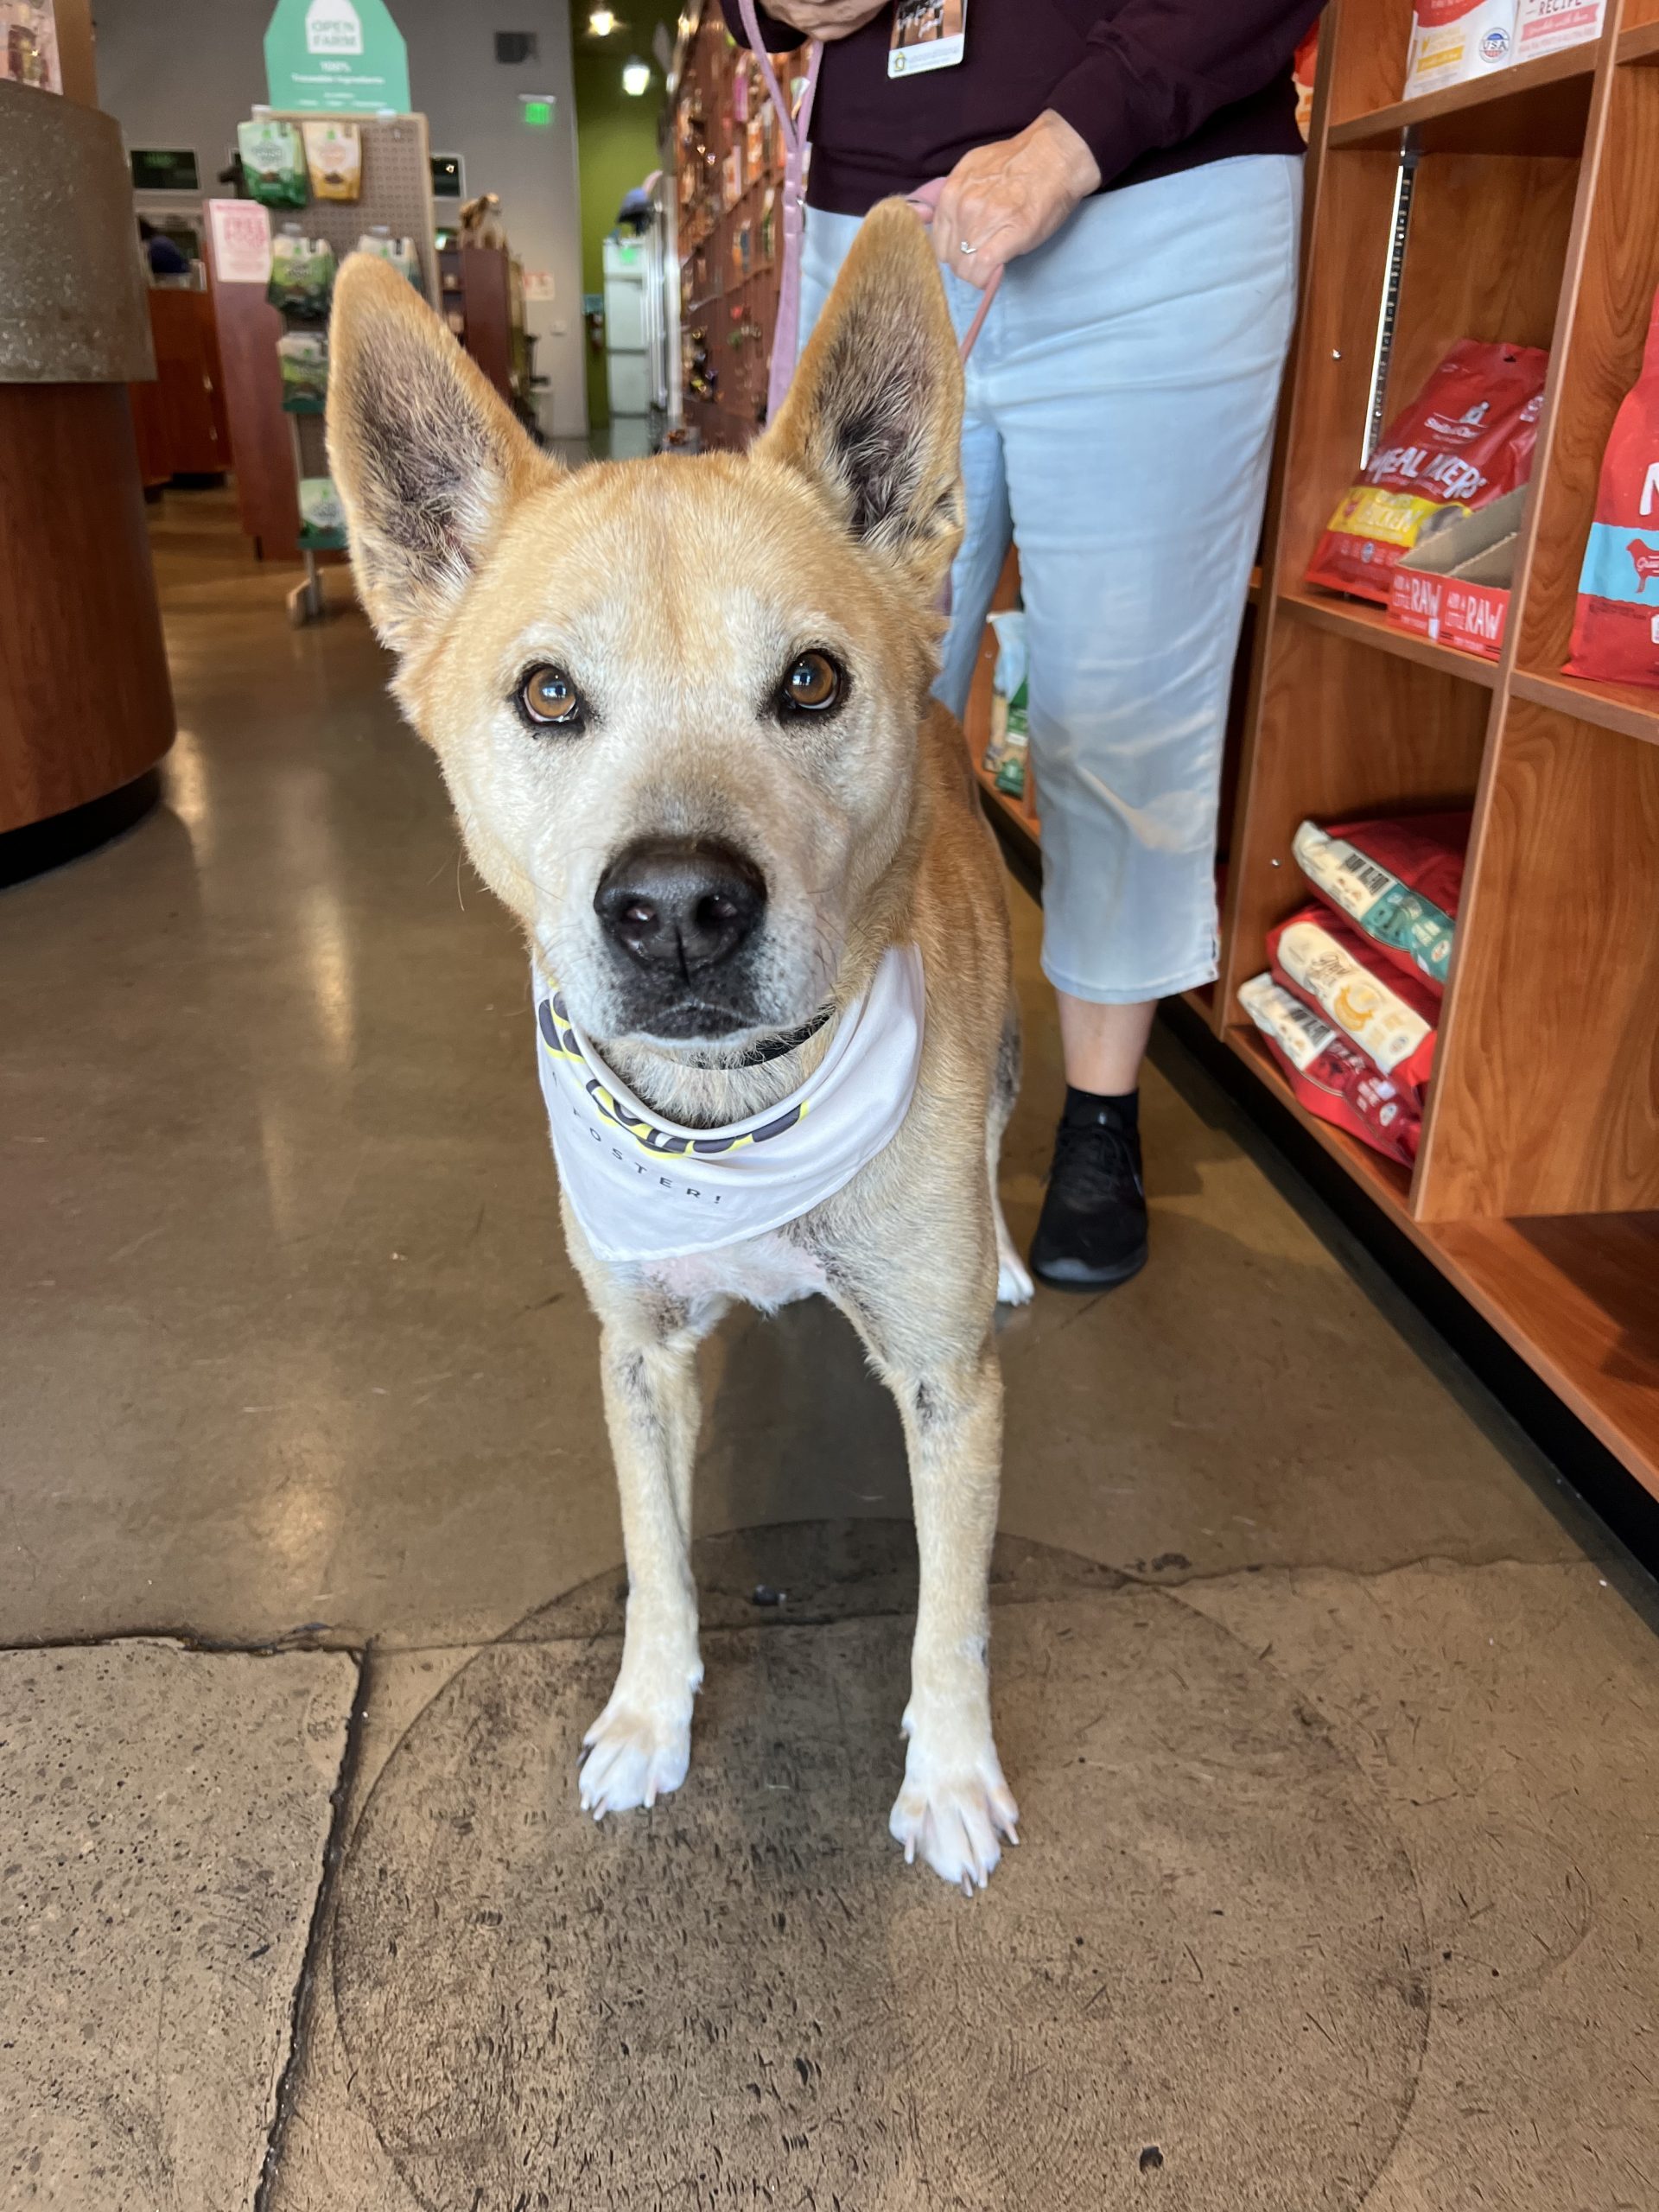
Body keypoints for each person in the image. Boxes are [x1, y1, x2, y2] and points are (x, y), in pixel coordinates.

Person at [724, 0, 1321, 1290]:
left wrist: (1078, 133)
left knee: (1118, 709)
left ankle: (1100, 1117)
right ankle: (838, 1106)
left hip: (1158, 204)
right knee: (819, 701)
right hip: (875, 218)